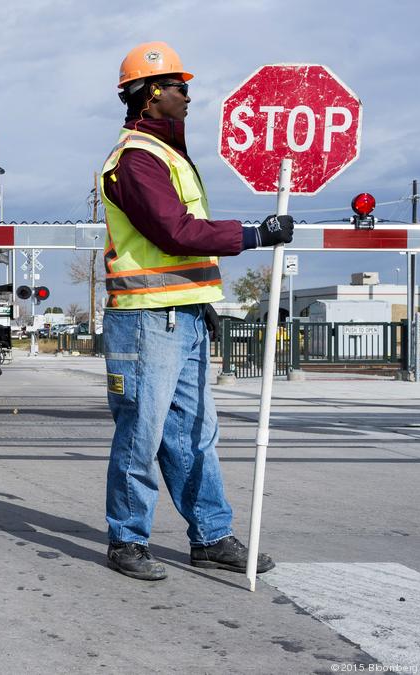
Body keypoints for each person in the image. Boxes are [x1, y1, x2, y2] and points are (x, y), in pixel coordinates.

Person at [99, 41, 294, 581]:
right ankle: (127, 539)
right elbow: (174, 232)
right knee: (143, 432)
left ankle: (209, 536)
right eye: (180, 87)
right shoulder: (136, 160)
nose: (190, 96)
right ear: (152, 93)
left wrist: (200, 301)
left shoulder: (168, 155)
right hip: (144, 319)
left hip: (179, 313)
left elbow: (182, 247)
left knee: (195, 433)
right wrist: (254, 234)